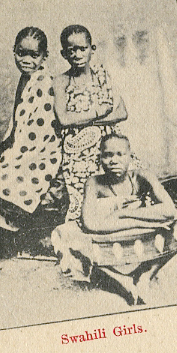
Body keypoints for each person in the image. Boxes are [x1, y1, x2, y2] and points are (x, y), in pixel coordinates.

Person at [52, 133, 177, 304]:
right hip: (108, 239)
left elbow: (169, 210)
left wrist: (122, 214)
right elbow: (89, 223)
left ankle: (146, 274)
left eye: (119, 154)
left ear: (130, 157)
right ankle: (119, 280)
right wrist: (147, 218)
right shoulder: (93, 182)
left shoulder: (142, 176)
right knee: (64, 235)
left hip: (142, 236)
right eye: (108, 155)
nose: (113, 160)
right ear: (100, 158)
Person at [0, 27, 67, 241]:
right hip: (24, 145)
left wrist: (15, 152)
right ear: (14, 51)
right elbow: (19, 124)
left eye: (34, 55)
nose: (26, 60)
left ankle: (13, 237)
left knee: (0, 177)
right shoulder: (26, 80)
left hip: (42, 151)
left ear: (44, 57)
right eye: (21, 53)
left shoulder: (43, 82)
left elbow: (39, 130)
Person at [53, 24, 129, 223]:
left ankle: (123, 218)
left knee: (125, 177)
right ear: (64, 54)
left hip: (109, 141)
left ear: (92, 49)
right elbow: (63, 119)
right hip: (76, 148)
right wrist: (98, 112)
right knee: (85, 193)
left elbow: (121, 112)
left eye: (82, 48)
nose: (77, 54)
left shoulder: (102, 75)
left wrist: (84, 120)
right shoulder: (61, 81)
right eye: (72, 50)